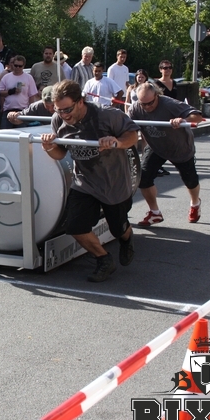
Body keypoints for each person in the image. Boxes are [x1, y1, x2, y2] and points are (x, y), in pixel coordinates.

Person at [40, 80, 139, 283]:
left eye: (67, 109)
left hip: (113, 182)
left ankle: (127, 238)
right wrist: (48, 147)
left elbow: (133, 135)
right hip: (84, 182)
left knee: (118, 229)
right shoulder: (58, 120)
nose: (63, 115)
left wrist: (117, 142)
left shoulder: (106, 115)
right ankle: (103, 259)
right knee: (75, 226)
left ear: (80, 102)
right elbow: (60, 154)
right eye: (58, 110)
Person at [129, 83, 204, 226]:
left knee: (190, 180)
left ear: (157, 95)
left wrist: (183, 120)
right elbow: (128, 129)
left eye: (150, 103)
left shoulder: (169, 104)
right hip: (156, 147)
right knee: (143, 178)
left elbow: (198, 117)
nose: (147, 107)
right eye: (143, 104)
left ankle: (195, 203)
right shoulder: (135, 109)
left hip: (180, 147)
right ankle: (155, 213)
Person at [0, 55, 38, 128]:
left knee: (21, 133)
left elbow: (32, 96)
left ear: (23, 66)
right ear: (12, 65)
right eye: (16, 65)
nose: (17, 68)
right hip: (8, 110)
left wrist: (30, 111)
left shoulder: (28, 77)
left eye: (20, 66)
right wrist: (10, 92)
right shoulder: (6, 77)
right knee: (5, 133)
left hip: (22, 111)